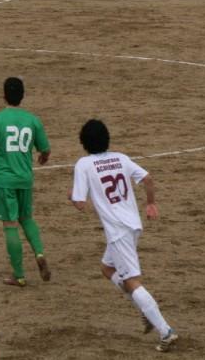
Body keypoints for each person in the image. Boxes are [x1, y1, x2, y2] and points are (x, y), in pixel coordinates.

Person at [70, 119, 179, 353]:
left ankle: (165, 330)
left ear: (84, 143)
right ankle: (145, 311)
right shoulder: (121, 157)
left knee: (131, 280)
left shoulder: (84, 164)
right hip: (132, 225)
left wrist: (73, 198)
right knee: (107, 269)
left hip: (118, 230)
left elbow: (79, 203)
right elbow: (148, 179)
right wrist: (151, 204)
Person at [0, 77, 52, 287]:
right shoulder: (33, 120)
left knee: (10, 224)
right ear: (23, 96)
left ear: (4, 95)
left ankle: (18, 275)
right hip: (25, 179)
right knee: (26, 218)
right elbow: (45, 150)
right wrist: (44, 158)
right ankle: (39, 253)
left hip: (4, 180)